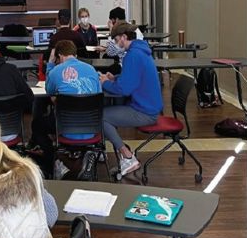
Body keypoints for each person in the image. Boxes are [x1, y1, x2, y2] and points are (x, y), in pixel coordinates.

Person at [30, 40, 102, 179]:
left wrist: (50, 64)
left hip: (66, 128)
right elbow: (98, 95)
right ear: (74, 54)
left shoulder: (56, 71)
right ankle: (86, 156)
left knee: (37, 125)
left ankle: (56, 161)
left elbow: (49, 90)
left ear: (60, 56)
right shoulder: (91, 69)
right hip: (92, 129)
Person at [99, 23, 163, 176]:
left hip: (145, 112)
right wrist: (116, 77)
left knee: (101, 117)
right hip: (150, 107)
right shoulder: (141, 51)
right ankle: (121, 151)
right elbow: (134, 78)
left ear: (124, 37)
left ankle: (127, 156)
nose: (115, 44)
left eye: (115, 40)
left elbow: (124, 89)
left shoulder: (132, 56)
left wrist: (105, 82)